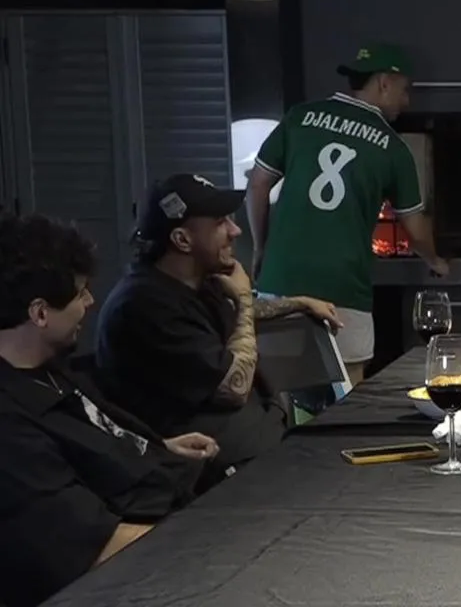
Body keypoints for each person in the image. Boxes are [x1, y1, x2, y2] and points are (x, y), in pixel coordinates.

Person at [0, 213, 221, 607]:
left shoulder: (50, 370)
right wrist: (215, 540)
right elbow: (95, 545)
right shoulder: (10, 430)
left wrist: (158, 446)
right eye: (80, 294)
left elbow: (90, 441)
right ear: (40, 313)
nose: (90, 302)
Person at [95, 174, 339, 489]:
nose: (236, 231)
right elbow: (234, 389)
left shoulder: (196, 282)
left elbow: (233, 313)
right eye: (221, 222)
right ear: (182, 240)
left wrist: (298, 303)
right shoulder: (145, 306)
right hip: (213, 471)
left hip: (261, 442)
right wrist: (243, 297)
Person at [247, 42, 448, 385]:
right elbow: (415, 230)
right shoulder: (393, 147)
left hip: (280, 282)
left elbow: (257, 185)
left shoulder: (300, 117)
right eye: (405, 90)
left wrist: (260, 248)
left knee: (278, 392)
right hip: (344, 290)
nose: (407, 101)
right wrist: (435, 260)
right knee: (347, 398)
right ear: (384, 82)